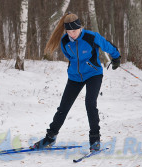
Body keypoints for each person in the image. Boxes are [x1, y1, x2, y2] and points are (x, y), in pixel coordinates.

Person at [31, 12, 121, 152]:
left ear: (80, 27)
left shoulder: (92, 37)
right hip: (75, 77)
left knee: (90, 103)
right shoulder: (64, 41)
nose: (72, 34)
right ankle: (50, 138)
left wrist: (116, 57)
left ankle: (95, 140)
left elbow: (107, 46)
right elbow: (69, 57)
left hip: (93, 74)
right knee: (63, 107)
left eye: (74, 31)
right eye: (68, 31)